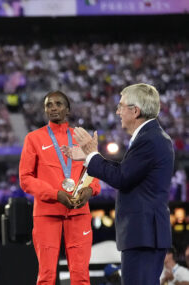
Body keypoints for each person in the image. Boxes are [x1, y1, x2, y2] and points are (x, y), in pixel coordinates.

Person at [63, 83, 174, 285]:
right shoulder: (151, 136)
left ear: (135, 110)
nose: (117, 111)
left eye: (121, 106)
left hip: (143, 234)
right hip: (145, 233)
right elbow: (127, 173)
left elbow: (121, 178)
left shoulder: (149, 139)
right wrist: (89, 157)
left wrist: (92, 153)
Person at [19, 91, 101, 284]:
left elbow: (95, 171)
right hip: (47, 212)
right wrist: (55, 194)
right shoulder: (34, 138)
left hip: (79, 211)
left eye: (58, 104)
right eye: (49, 105)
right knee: (46, 275)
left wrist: (90, 190)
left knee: (80, 275)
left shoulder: (82, 138)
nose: (53, 108)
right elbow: (25, 179)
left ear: (68, 110)